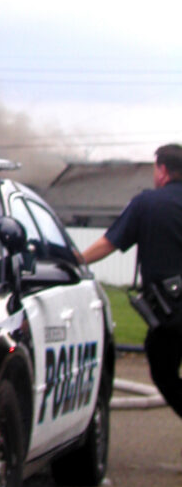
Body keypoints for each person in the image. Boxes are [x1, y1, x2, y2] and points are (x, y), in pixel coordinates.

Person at [82, 144, 182, 419]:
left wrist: (75, 260)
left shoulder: (147, 204)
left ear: (162, 170)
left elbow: (108, 244)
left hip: (171, 314)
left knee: (164, 370)